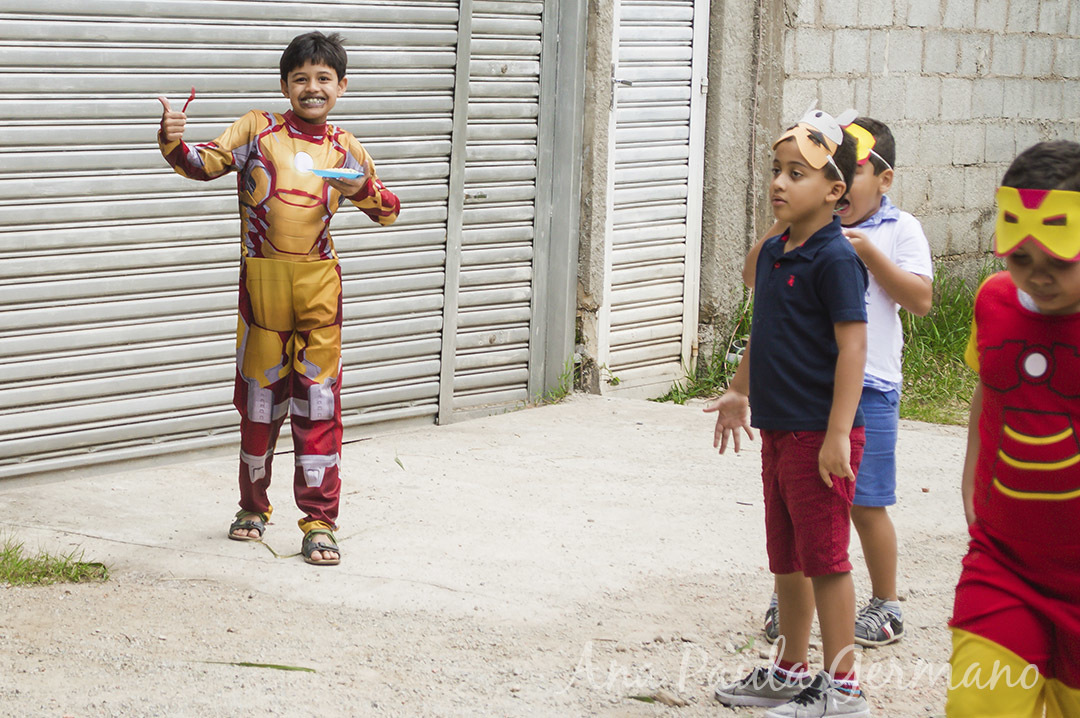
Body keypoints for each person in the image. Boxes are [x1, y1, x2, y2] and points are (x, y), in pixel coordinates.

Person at [157, 31, 401, 566]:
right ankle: (252, 507)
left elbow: (389, 210)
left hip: (319, 291)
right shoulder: (257, 129)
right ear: (285, 85)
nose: (312, 89)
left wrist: (358, 187)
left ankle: (320, 522)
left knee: (319, 406)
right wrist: (173, 140)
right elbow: (202, 164)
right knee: (259, 405)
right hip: (262, 290)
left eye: (323, 79)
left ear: (340, 86)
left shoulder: (346, 146)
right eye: (300, 79)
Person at [707, 107, 872, 716]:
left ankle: (844, 687)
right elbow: (764, 329)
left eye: (796, 173)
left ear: (834, 191)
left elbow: (854, 346)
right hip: (780, 430)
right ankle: (790, 669)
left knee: (826, 560)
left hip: (820, 437)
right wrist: (738, 390)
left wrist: (836, 435)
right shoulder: (775, 252)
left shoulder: (834, 258)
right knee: (788, 558)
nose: (778, 183)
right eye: (777, 170)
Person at [746, 118, 933, 648]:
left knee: (864, 501)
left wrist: (868, 253)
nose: (848, 184)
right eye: (779, 172)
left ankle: (886, 603)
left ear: (883, 179)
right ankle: (797, 606)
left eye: (856, 172)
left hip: (868, 389)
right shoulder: (806, 235)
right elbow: (756, 282)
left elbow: (920, 300)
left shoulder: (899, 230)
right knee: (808, 509)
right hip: (807, 395)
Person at [946, 140, 1080, 716]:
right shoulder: (994, 301)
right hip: (1004, 567)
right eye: (1021, 259)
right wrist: (971, 478)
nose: (1037, 278)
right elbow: (991, 389)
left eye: (1059, 262)